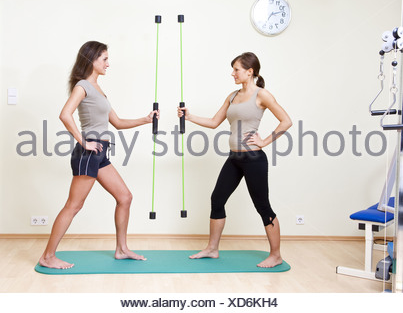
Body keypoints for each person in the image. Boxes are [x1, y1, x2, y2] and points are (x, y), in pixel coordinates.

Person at [39, 41, 159, 269]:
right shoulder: (82, 85)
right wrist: (83, 141)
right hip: (88, 152)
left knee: (125, 197)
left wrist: (146, 119)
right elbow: (65, 114)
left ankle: (122, 249)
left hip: (101, 152)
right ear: (91, 60)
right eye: (104, 58)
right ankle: (47, 256)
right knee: (74, 205)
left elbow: (118, 123)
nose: (108, 63)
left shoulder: (99, 90)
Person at [178, 52, 292, 268]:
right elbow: (214, 122)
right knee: (217, 199)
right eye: (233, 69)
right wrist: (189, 116)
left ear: (250, 72)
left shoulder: (262, 95)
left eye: (236, 70)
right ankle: (212, 249)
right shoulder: (231, 96)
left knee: (262, 206)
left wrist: (265, 141)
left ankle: (276, 255)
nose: (233, 73)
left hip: (253, 158)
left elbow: (286, 121)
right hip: (234, 158)